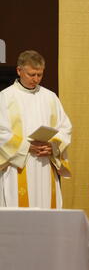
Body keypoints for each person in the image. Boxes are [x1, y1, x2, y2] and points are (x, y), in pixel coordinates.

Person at [0, 50, 71, 208]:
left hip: (45, 165)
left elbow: (65, 128)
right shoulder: (5, 97)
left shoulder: (50, 97)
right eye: (31, 74)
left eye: (39, 75)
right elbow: (1, 133)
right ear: (19, 71)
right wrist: (26, 146)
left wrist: (52, 146)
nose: (36, 79)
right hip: (18, 165)